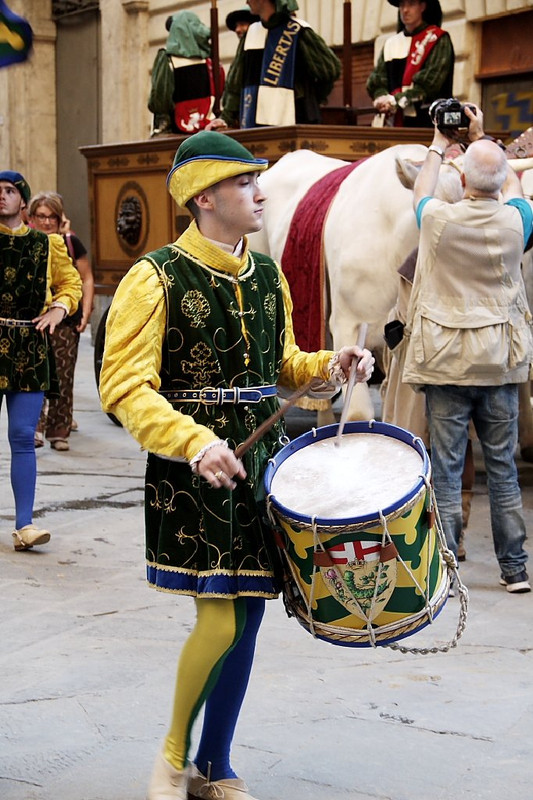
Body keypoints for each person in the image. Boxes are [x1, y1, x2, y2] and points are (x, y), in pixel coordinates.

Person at [99, 130, 374, 800]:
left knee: (246, 616)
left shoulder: (267, 273)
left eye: (258, 181)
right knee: (218, 617)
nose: (260, 192)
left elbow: (281, 366)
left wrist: (329, 365)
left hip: (262, 466)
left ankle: (213, 767)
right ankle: (171, 758)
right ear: (204, 198)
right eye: (246, 182)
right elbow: (122, 386)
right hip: (196, 466)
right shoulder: (154, 276)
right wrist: (191, 441)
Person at [402, 104, 533, 593]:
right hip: (498, 361)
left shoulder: (438, 220)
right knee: (503, 470)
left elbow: (421, 190)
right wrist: (486, 138)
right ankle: (515, 569)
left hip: (446, 361)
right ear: (499, 180)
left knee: (447, 469)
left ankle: (445, 567)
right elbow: (515, 189)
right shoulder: (517, 222)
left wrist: (439, 143)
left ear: (463, 179)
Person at [0, 171, 82, 551]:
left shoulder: (47, 244)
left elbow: (72, 283)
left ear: (23, 200)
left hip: (29, 346)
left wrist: (59, 308)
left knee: (21, 436)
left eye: (9, 191)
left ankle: (25, 525)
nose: (2, 197)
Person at [28, 192, 94, 451]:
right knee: (35, 375)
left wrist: (86, 312)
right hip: (33, 319)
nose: (46, 222)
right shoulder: (25, 242)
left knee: (63, 376)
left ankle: (59, 430)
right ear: (32, 217)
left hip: (66, 319)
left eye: (52, 217)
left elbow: (85, 278)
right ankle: (35, 426)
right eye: (41, 216)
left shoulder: (69, 241)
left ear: (59, 218)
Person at [218, 0, 341, 129]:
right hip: (253, 122)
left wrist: (310, 98)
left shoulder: (298, 30)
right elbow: (235, 83)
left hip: (295, 122)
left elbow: (330, 69)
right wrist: (226, 117)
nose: (247, 1)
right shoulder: (250, 34)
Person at [366, 0, 454, 128]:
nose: (405, 10)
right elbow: (377, 80)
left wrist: (394, 101)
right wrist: (381, 98)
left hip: (428, 124)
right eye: (402, 5)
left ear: (422, 6)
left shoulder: (437, 39)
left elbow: (429, 84)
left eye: (411, 4)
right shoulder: (391, 43)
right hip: (393, 123)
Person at [148, 11, 225, 136]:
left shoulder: (207, 61)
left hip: (190, 129)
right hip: (201, 129)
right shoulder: (209, 61)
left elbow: (160, 96)